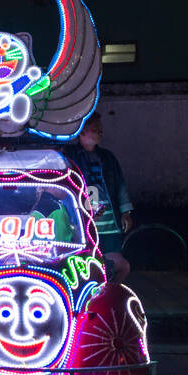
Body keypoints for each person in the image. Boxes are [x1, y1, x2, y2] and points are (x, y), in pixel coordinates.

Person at [63, 113, 133, 284]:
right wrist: (88, 209)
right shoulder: (70, 156)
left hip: (110, 222)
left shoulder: (107, 157)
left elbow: (120, 185)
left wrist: (126, 212)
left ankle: (110, 291)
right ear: (82, 132)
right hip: (83, 220)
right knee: (88, 261)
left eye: (100, 130)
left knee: (114, 262)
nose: (99, 133)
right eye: (95, 130)